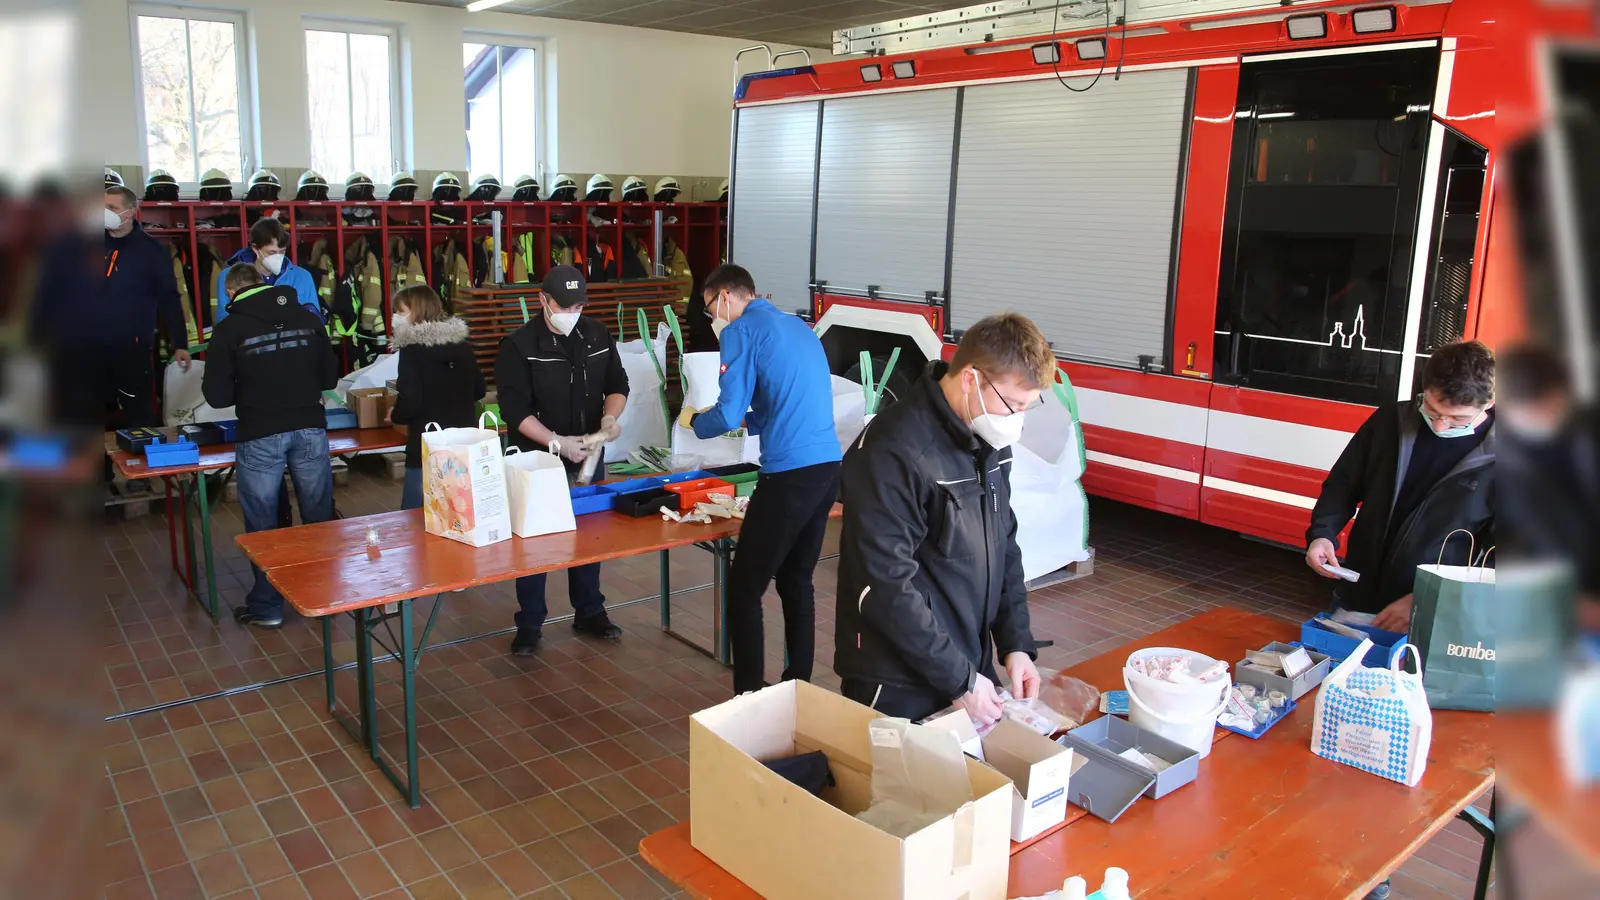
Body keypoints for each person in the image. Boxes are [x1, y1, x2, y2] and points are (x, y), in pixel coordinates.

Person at [834, 312, 1049, 724]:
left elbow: (1004, 545)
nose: (1016, 422)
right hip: (897, 680)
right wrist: (961, 681)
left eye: (1027, 407)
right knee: (900, 786)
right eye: (1012, 405)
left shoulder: (987, 437)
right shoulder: (893, 451)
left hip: (964, 664)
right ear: (970, 378)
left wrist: (1015, 643)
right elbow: (884, 584)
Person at [682, 265, 842, 694]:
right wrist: (747, 421)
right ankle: (798, 685)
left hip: (789, 475)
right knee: (795, 578)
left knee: (744, 589)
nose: (712, 318)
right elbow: (783, 399)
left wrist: (696, 423)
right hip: (827, 469)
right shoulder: (797, 326)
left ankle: (747, 694)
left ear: (728, 298)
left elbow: (728, 412)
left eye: (710, 307)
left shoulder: (740, 331)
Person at [1306, 340, 1496, 633]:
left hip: (1435, 614)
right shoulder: (1391, 422)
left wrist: (1428, 598)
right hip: (1359, 591)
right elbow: (1343, 484)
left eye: (1457, 419)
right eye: (1432, 410)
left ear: (1489, 403)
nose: (1441, 425)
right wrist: (1323, 534)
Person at [495, 266, 628, 655]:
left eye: (578, 305)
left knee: (588, 538)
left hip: (588, 454)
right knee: (533, 544)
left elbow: (617, 385)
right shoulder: (519, 345)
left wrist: (609, 418)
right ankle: (530, 622)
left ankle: (590, 611)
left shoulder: (597, 334)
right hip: (536, 461)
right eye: (563, 306)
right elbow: (513, 410)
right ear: (543, 301)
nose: (571, 312)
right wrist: (557, 443)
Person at [202, 264, 339, 629]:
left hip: (260, 432)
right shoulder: (309, 318)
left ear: (231, 294)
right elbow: (329, 377)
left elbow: (216, 397)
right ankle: (323, 594)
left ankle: (268, 607)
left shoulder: (229, 329)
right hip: (310, 427)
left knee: (263, 524)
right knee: (318, 516)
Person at [388, 285, 485, 510]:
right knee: (458, 514)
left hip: (426, 448)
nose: (396, 318)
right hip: (462, 447)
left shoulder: (412, 349)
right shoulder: (462, 345)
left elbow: (410, 400)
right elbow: (479, 390)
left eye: (401, 312)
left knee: (416, 520)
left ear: (419, 311)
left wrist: (396, 414)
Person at [100, 185, 190, 427]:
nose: (104, 212)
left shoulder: (152, 252)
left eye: (111, 207)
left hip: (132, 348)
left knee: (136, 412)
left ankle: (138, 461)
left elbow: (170, 298)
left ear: (130, 212)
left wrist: (180, 343)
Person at [214, 217, 322, 323]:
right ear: (255, 249)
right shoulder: (229, 277)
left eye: (282, 251)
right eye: (271, 252)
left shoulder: (302, 277)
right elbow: (225, 323)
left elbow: (314, 320)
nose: (278, 257)